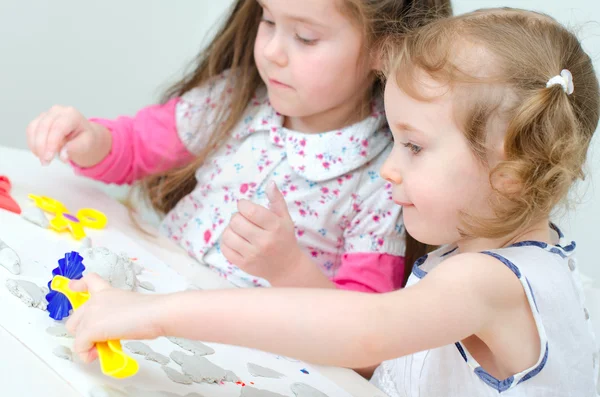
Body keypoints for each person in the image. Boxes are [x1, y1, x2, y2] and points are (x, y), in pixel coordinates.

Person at [65, 8, 600, 395]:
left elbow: (363, 332)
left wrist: (153, 314)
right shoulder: (479, 262)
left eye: (413, 146)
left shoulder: (489, 282)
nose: (391, 165)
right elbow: (383, 363)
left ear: (507, 173)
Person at [26, 0, 451, 290]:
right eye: (267, 20)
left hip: (244, 357)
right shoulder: (234, 99)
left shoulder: (385, 179)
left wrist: (289, 269)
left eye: (304, 37)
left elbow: (365, 334)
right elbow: (135, 146)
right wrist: (90, 140)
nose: (271, 51)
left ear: (384, 49)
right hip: (149, 297)